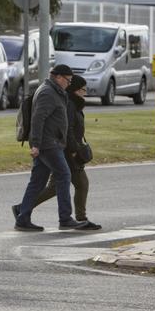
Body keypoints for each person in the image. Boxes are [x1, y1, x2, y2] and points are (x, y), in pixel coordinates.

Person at [12, 64, 86, 231]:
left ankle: (22, 218)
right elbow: (38, 119)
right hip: (48, 144)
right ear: (58, 77)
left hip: (51, 142)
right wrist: (36, 144)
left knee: (37, 182)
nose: (69, 83)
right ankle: (65, 218)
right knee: (64, 175)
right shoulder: (47, 93)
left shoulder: (55, 91)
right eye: (68, 80)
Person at [31, 75, 99, 230]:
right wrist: (74, 150)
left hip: (65, 150)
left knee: (54, 187)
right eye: (83, 89)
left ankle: (23, 208)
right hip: (68, 152)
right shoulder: (70, 105)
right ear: (75, 90)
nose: (85, 93)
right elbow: (67, 130)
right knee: (82, 184)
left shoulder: (74, 104)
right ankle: (80, 218)